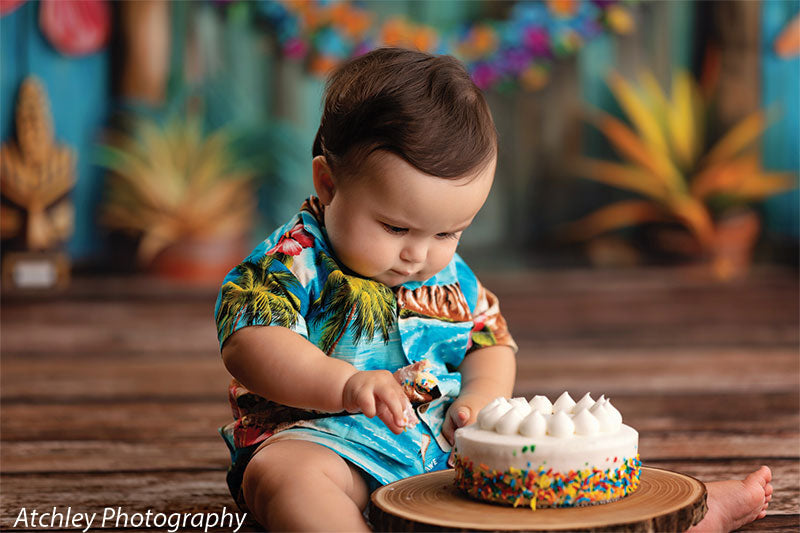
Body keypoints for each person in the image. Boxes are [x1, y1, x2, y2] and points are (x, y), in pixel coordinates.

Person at [214, 47, 772, 532]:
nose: (419, 255)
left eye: (448, 232)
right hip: (326, 445)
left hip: (446, 459)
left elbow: (491, 343)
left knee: (558, 468)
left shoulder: (447, 272)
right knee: (285, 481)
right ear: (328, 184)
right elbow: (253, 343)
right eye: (395, 228)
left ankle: (687, 517)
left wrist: (480, 403)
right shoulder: (294, 260)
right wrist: (345, 383)